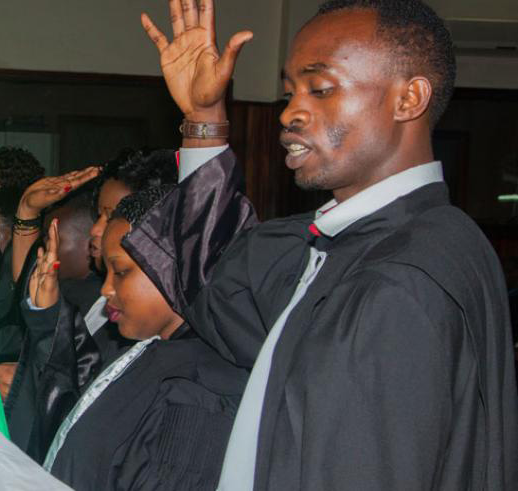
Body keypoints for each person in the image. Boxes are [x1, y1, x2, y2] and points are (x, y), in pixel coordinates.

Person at [130, 0, 518, 489]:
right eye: (289, 92)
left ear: (408, 99)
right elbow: (220, 285)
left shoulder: (396, 282)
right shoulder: (389, 237)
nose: (290, 112)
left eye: (321, 89)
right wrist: (204, 116)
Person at [40, 187, 248, 490]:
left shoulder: (202, 390)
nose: (105, 289)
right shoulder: (153, 348)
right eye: (106, 272)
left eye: (121, 272)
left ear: (175, 267)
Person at [4, 149, 179, 461]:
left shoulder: (147, 329)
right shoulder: (91, 293)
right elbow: (31, 295)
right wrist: (27, 211)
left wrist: (36, 387)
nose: (96, 230)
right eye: (98, 215)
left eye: (111, 216)